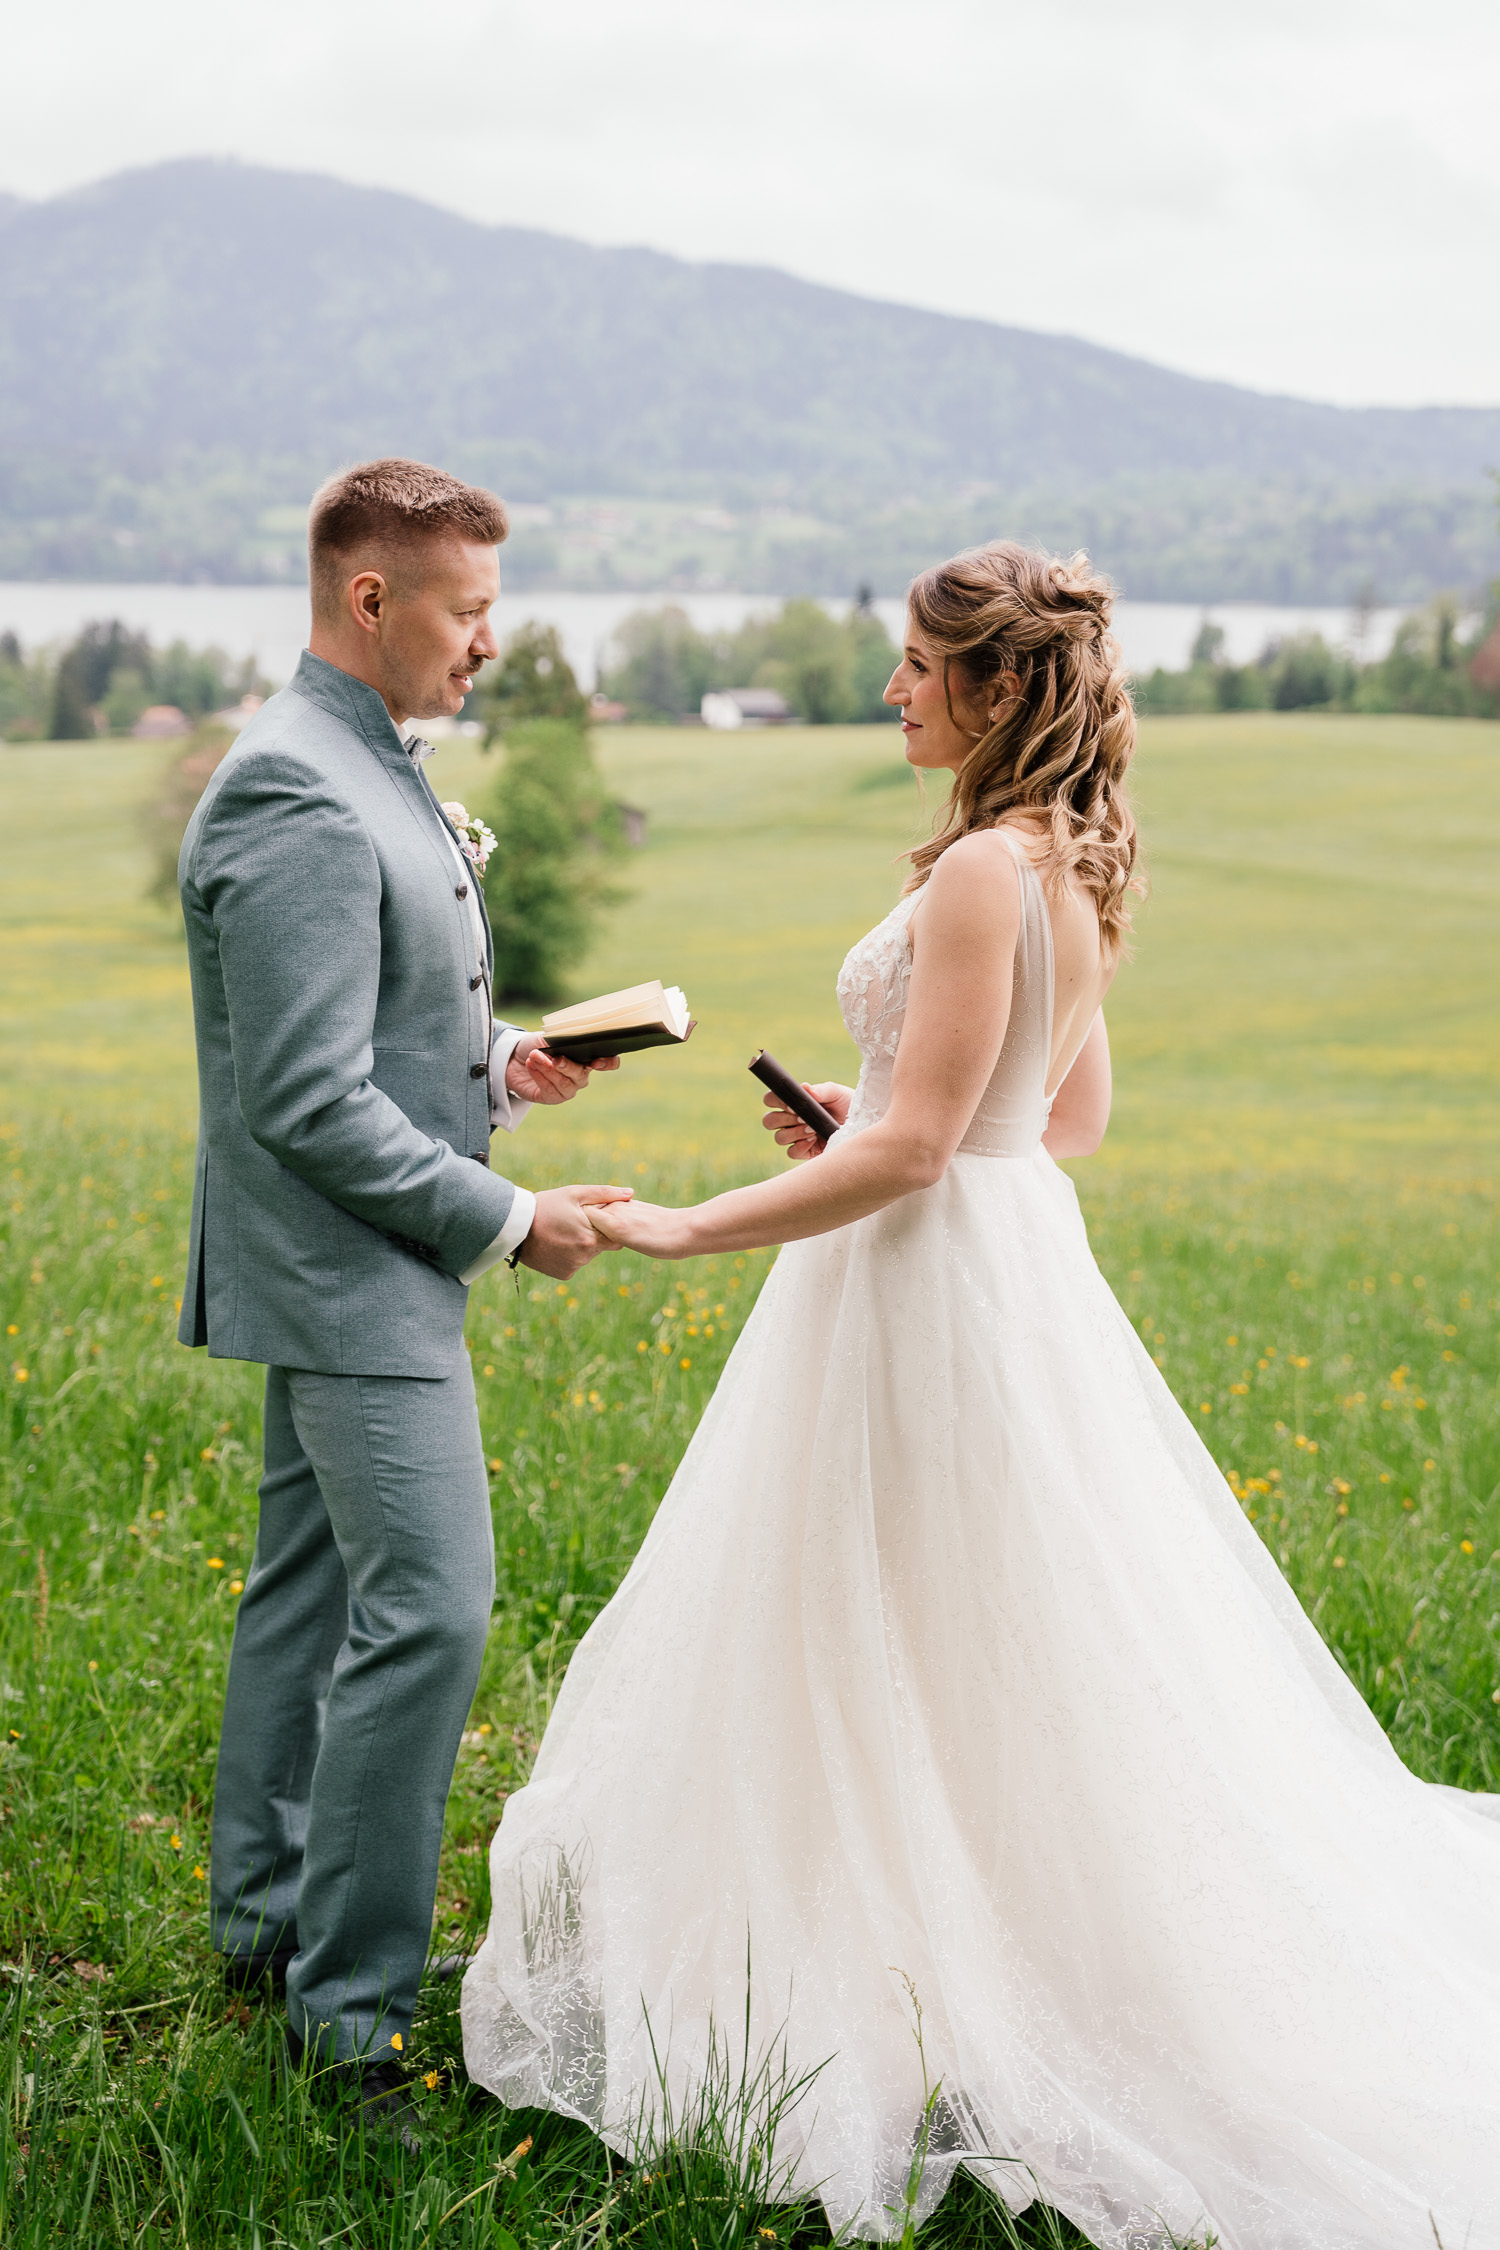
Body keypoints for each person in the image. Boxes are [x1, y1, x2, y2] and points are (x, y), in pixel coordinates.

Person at [460, 543, 1500, 2248]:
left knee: (881, 1604)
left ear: (998, 685)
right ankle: (984, 1921)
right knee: (990, 1613)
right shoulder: (1066, 865)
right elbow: (1058, 1119)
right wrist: (860, 1111)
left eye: (916, 665)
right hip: (1011, 1270)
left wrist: (691, 1222)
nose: (893, 690)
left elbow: (924, 1149)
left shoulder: (973, 875)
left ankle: (917, 1965)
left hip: (922, 1276)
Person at [176, 458, 631, 2128]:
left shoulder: (359, 756)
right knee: (431, 1611)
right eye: (470, 609)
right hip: (349, 1273)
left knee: (306, 1597)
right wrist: (509, 1218)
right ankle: (348, 2022)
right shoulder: (297, 789)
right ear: (371, 598)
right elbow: (304, 1100)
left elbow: (365, 1026)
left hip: (352, 1262)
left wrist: (501, 1068)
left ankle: (264, 1926)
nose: (490, 641)